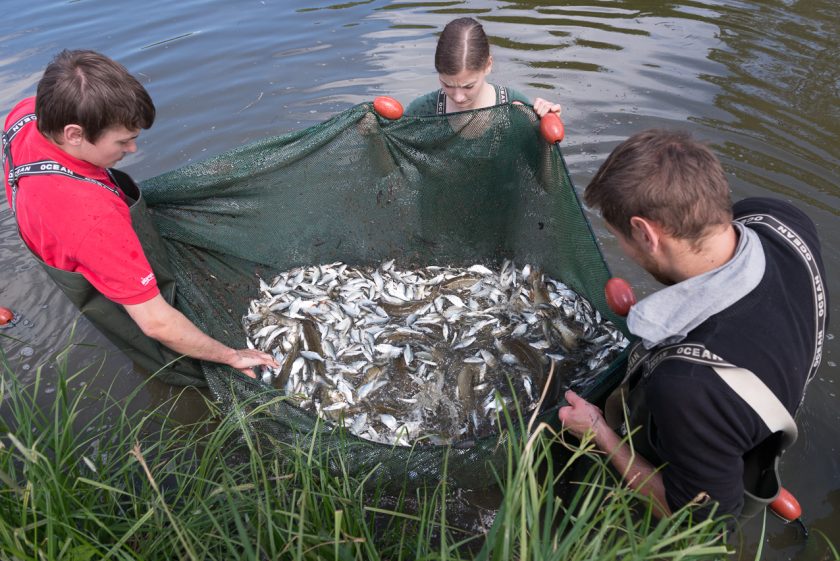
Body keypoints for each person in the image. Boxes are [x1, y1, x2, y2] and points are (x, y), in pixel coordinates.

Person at [558, 129, 828, 521]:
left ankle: (716, 462)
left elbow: (702, 525)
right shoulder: (780, 219)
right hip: (768, 394)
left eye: (621, 240)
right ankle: (723, 457)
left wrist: (600, 433)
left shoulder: (687, 386)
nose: (622, 251)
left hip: (709, 420)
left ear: (646, 233)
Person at [2, 49, 278, 380]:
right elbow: (156, 322)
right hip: (82, 244)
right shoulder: (93, 219)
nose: (133, 150)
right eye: (123, 141)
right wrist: (230, 356)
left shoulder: (26, 114)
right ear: (73, 133)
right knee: (170, 348)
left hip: (47, 220)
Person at [405, 17, 562, 117]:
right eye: (447, 84)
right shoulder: (421, 111)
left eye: (468, 86)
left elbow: (536, 165)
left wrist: (545, 124)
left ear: (488, 65)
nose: (458, 97)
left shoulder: (515, 108)